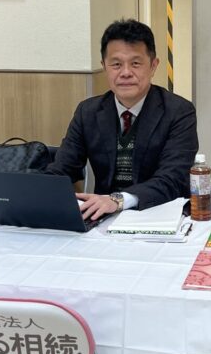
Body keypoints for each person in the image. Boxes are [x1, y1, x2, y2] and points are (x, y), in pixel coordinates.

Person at [47, 18, 198, 220]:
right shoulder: (88, 112)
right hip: (104, 217)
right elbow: (63, 169)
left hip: (160, 215)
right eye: (116, 64)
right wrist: (31, 191)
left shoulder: (178, 111)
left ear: (153, 66)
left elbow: (172, 179)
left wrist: (118, 200)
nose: (126, 73)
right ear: (104, 67)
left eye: (135, 63)